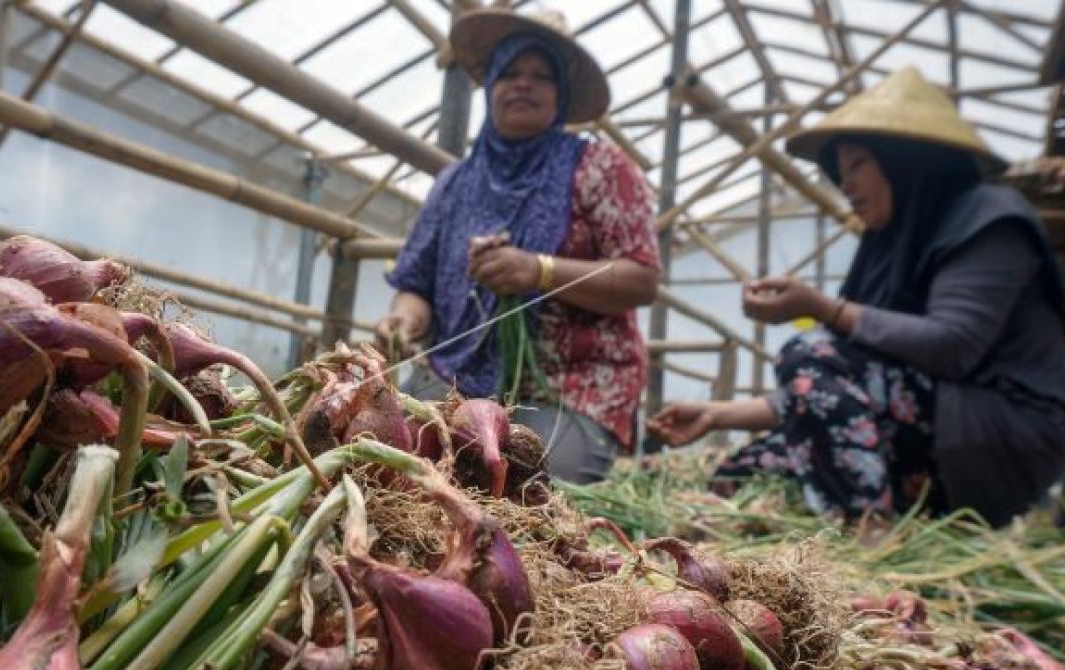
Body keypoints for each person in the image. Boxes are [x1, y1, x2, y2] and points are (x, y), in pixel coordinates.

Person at [647, 68, 1065, 529]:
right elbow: (833, 395)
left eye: (857, 165)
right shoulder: (888, 247)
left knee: (807, 354)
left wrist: (821, 307)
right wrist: (716, 414)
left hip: (1002, 438)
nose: (844, 186)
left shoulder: (989, 218)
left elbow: (953, 345)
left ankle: (867, 542)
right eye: (840, 172)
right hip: (934, 431)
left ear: (905, 160)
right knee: (741, 475)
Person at [375, 8, 661, 484]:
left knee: (534, 490)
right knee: (394, 470)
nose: (523, 84)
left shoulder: (600, 168)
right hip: (454, 379)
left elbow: (641, 277)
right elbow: (415, 283)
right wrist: (405, 320)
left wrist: (539, 271)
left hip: (569, 389)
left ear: (561, 95)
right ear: (490, 87)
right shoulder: (455, 183)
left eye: (541, 77)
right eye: (510, 72)